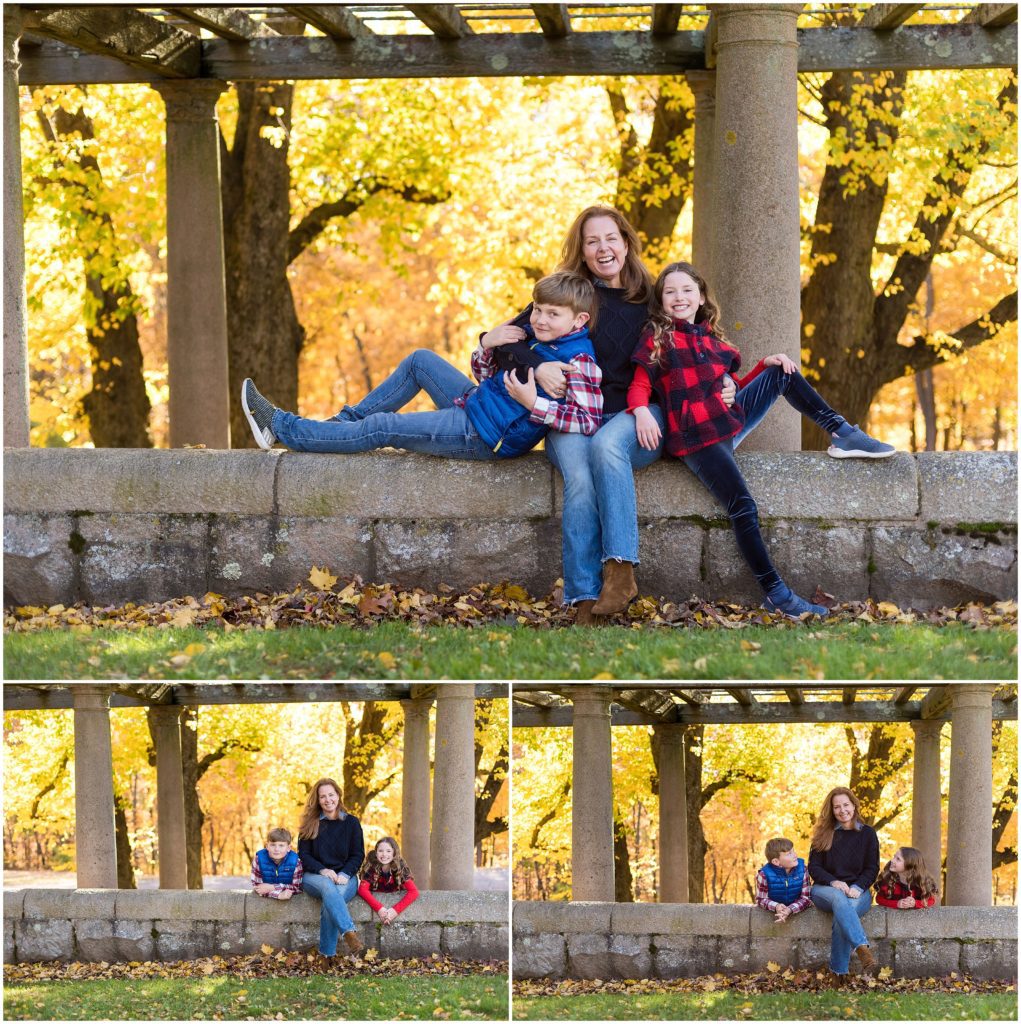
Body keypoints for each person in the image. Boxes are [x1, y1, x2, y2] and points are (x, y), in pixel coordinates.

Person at [623, 261, 895, 619]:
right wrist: (641, 411)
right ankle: (776, 594)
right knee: (743, 507)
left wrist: (762, 366)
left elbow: (731, 386)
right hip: (698, 438)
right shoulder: (658, 337)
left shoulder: (711, 338)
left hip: (725, 420)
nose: (679, 297)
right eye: (670, 291)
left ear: (701, 295)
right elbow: (640, 384)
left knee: (781, 370)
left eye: (687, 290)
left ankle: (842, 433)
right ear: (661, 300)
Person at [490, 205, 688, 624]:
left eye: (611, 238)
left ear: (626, 241)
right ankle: (583, 599)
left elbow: (696, 335)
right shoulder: (573, 295)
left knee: (606, 447)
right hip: (572, 415)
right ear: (581, 249)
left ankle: (619, 573)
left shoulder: (652, 297)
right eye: (592, 241)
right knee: (579, 480)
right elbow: (504, 340)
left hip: (632, 415)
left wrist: (726, 380)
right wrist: (538, 365)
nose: (603, 248)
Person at [240, 272, 602, 459]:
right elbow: (486, 376)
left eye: (552, 314)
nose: (539, 319)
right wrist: (487, 344)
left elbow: (589, 421)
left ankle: (281, 428)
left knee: (383, 427)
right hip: (479, 404)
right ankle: (341, 427)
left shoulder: (579, 363)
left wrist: (533, 404)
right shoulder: (538, 337)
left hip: (485, 435)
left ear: (578, 319)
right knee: (420, 360)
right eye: (538, 309)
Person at [808, 786, 880, 983]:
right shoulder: (823, 833)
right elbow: (814, 868)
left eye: (846, 805)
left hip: (859, 891)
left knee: (844, 910)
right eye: (836, 807)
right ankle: (861, 946)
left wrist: (857, 886)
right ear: (831, 810)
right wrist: (833, 881)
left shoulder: (868, 834)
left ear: (854, 806)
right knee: (839, 898)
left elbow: (872, 868)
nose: (842, 810)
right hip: (825, 890)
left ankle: (838, 974)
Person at [297, 777, 365, 958]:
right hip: (314, 877)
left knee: (331, 900)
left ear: (338, 795)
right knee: (328, 887)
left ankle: (326, 957)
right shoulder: (309, 823)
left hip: (345, 877)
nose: (328, 800)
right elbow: (303, 855)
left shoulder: (352, 823)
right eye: (323, 796)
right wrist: (323, 870)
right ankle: (349, 931)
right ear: (317, 800)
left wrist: (345, 873)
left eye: (331, 795)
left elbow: (358, 855)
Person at [357, 836, 420, 924]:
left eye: (388, 851)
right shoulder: (371, 866)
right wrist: (380, 909)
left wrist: (394, 912)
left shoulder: (400, 867)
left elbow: (414, 892)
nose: (384, 854)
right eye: (380, 851)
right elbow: (362, 890)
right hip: (378, 903)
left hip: (394, 902)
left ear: (394, 852)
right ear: (376, 853)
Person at [754, 837, 812, 923]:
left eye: (793, 851)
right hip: (777, 909)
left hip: (795, 907)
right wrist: (776, 906)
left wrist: (790, 909)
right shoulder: (764, 874)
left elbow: (806, 897)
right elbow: (761, 899)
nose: (795, 855)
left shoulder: (803, 869)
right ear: (776, 861)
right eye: (789, 854)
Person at [251, 826, 303, 900]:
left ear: (288, 848)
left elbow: (297, 888)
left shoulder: (295, 862)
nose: (276, 849)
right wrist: (278, 895)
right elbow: (258, 888)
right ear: (267, 846)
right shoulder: (258, 860)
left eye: (281, 845)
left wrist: (272, 887)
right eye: (273, 845)